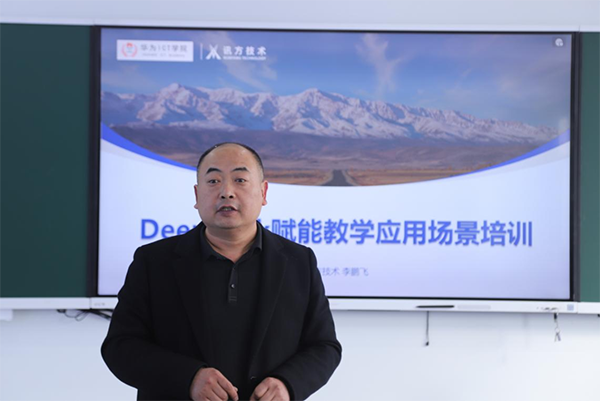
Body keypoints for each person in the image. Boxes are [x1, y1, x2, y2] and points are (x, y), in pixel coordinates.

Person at [102, 142, 342, 401]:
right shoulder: (154, 261)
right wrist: (188, 378)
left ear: (263, 192)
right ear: (197, 195)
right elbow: (120, 346)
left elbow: (324, 346)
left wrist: (287, 384)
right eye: (214, 181)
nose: (227, 192)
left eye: (240, 180)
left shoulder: (298, 261)